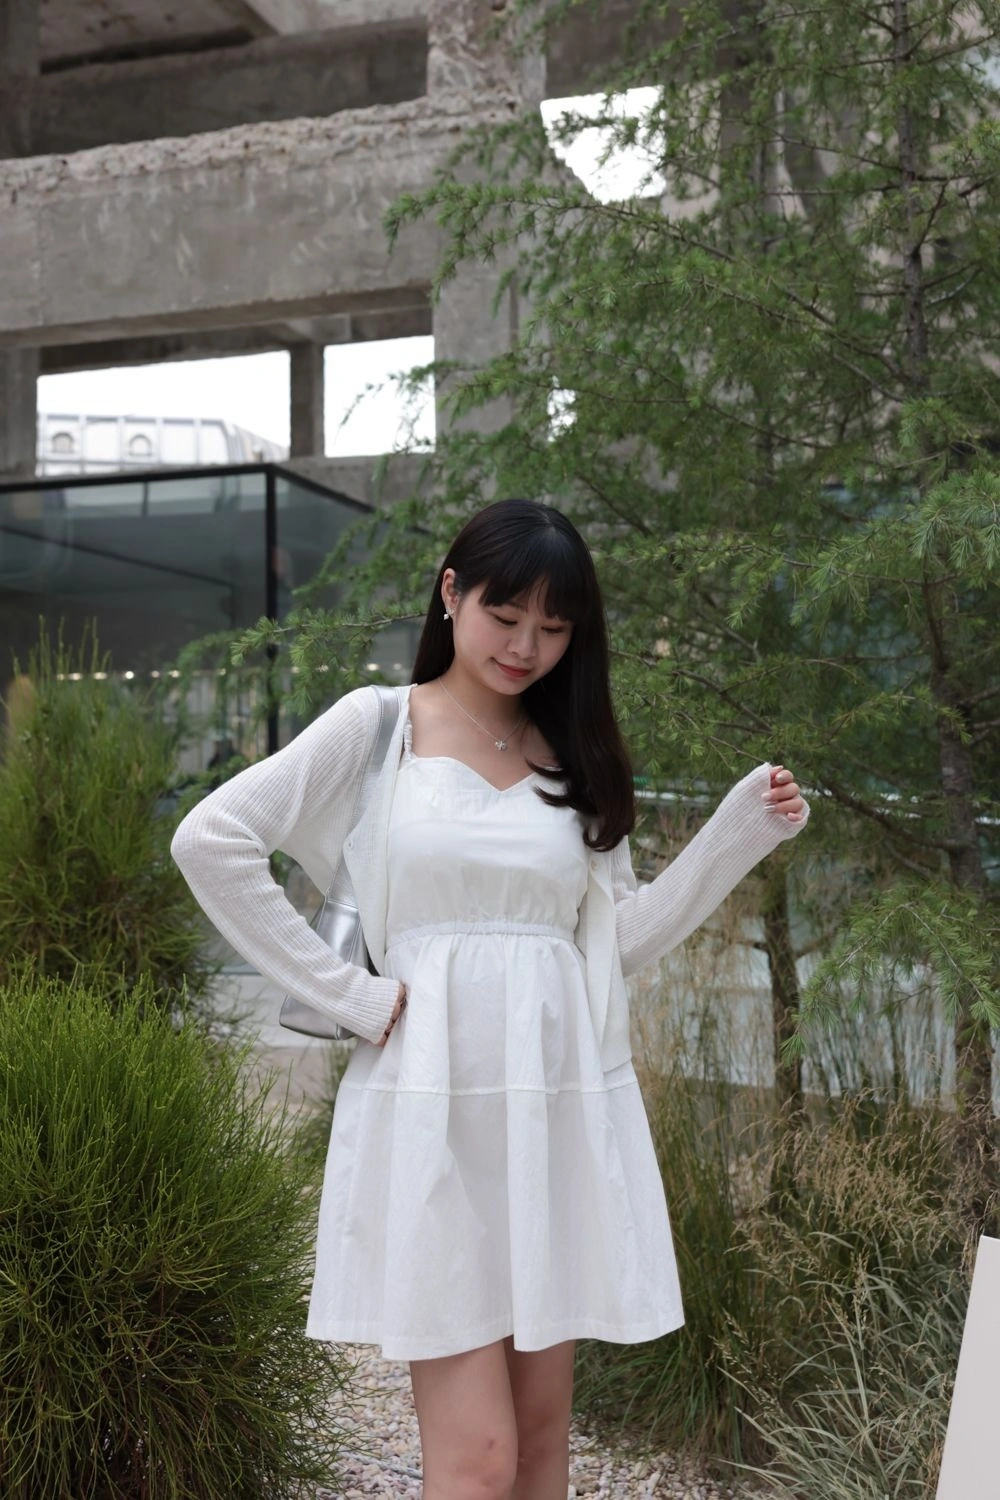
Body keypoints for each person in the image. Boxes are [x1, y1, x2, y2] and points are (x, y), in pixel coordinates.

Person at [171, 498, 808, 1500]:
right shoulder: (379, 726)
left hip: (549, 1116)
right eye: (505, 617)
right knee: (478, 1461)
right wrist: (349, 996)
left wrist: (737, 833)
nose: (525, 647)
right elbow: (211, 840)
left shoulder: (575, 752)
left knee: (543, 1444)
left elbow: (613, 944)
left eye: (553, 628)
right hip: (430, 1113)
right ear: (451, 594)